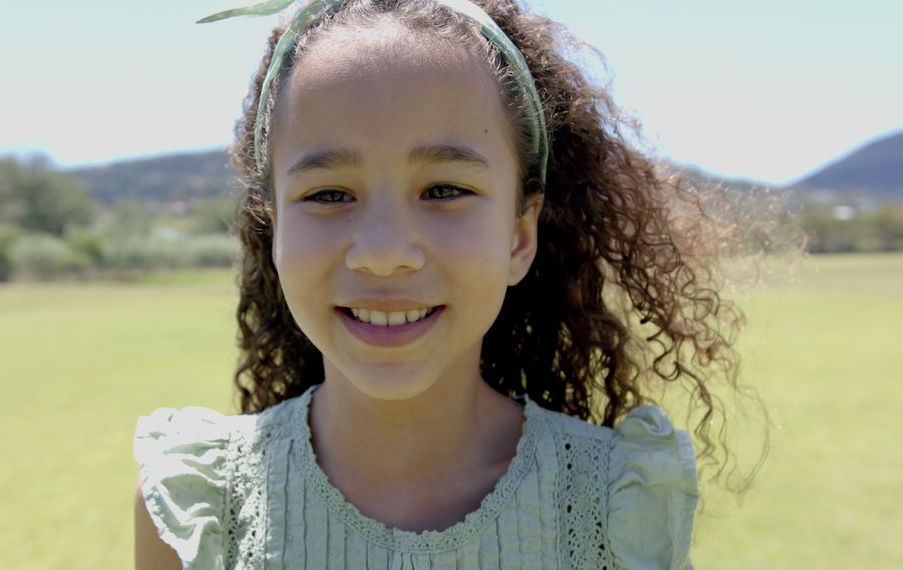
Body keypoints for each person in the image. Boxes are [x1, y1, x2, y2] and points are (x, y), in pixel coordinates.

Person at [135, 0, 764, 568]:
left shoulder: (614, 503)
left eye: (445, 191)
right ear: (273, 230)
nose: (384, 254)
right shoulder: (199, 506)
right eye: (328, 194)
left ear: (519, 236)